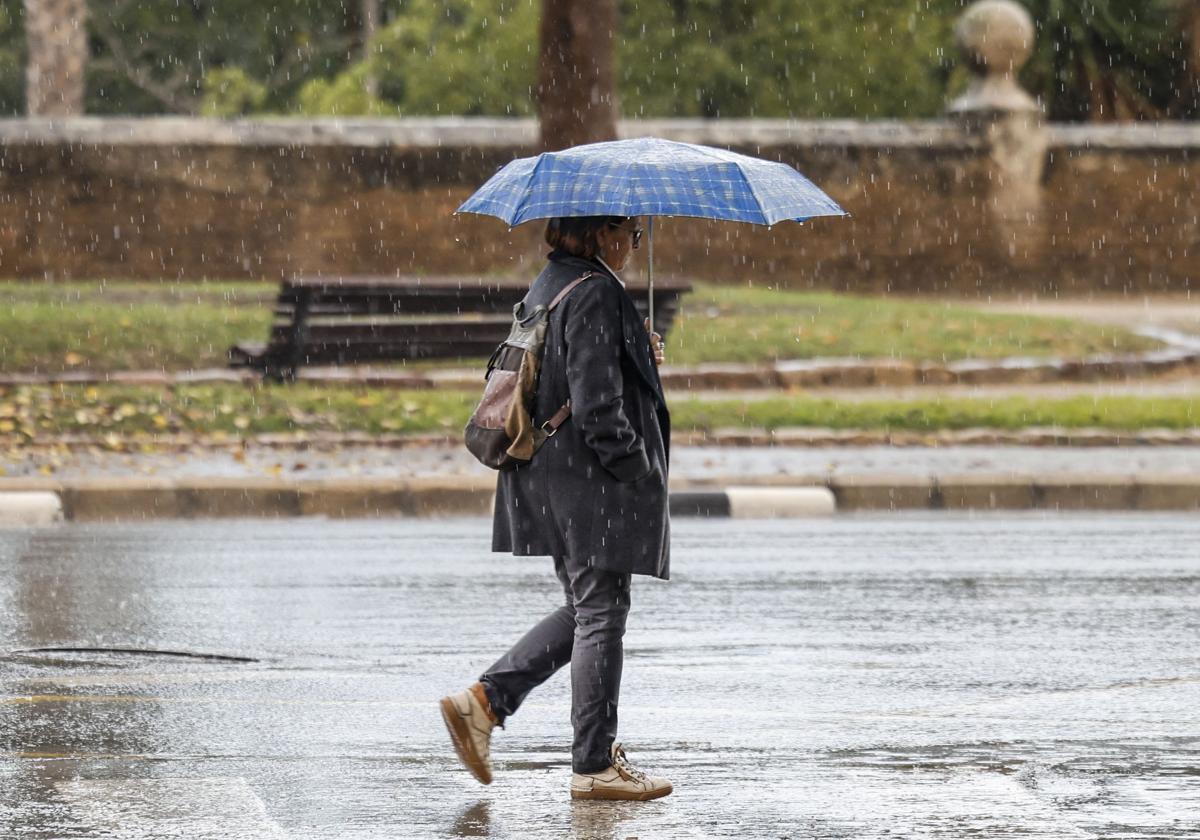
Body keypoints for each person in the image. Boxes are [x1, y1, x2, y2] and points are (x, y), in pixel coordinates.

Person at [440, 215, 673, 802]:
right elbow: (596, 407)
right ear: (600, 234)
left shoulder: (554, 281)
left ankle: (486, 703)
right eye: (630, 231)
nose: (634, 243)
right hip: (590, 482)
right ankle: (593, 765)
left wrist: (635, 350)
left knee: (585, 607)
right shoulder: (595, 291)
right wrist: (637, 468)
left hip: (552, 476)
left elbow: (568, 375)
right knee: (603, 612)